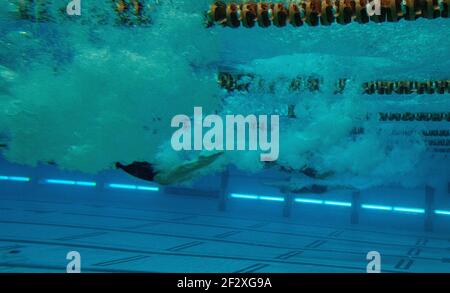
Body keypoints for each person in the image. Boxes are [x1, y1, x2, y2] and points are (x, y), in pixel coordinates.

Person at [116, 152, 224, 185]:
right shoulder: (122, 161)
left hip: (159, 173)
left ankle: (214, 156)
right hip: (160, 177)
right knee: (189, 168)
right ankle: (214, 155)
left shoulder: (129, 158)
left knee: (191, 169)